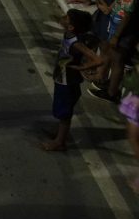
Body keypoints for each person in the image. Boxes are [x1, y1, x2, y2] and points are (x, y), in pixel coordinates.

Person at [43, 9, 102, 151]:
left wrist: (82, 67)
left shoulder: (76, 42)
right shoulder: (69, 34)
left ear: (71, 27)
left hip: (67, 81)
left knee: (64, 113)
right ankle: (59, 135)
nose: (62, 18)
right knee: (63, 109)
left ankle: (59, 141)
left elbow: (97, 59)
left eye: (66, 18)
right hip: (63, 78)